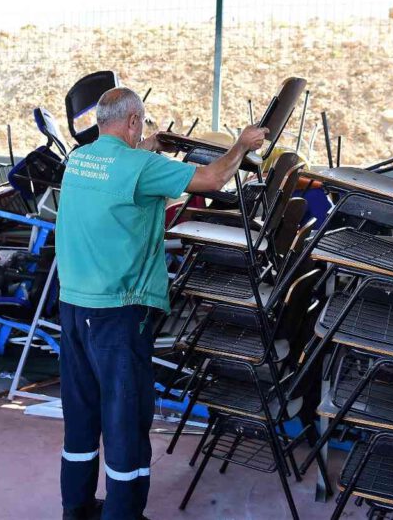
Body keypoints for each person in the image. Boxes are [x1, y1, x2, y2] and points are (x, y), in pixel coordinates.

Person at [55, 87, 267, 520]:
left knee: (82, 412)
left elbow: (121, 167)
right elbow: (211, 180)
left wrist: (156, 145)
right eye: (143, 125)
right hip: (117, 311)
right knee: (126, 417)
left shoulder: (80, 159)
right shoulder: (139, 165)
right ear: (133, 121)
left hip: (74, 306)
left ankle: (75, 508)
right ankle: (124, 514)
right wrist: (241, 146)